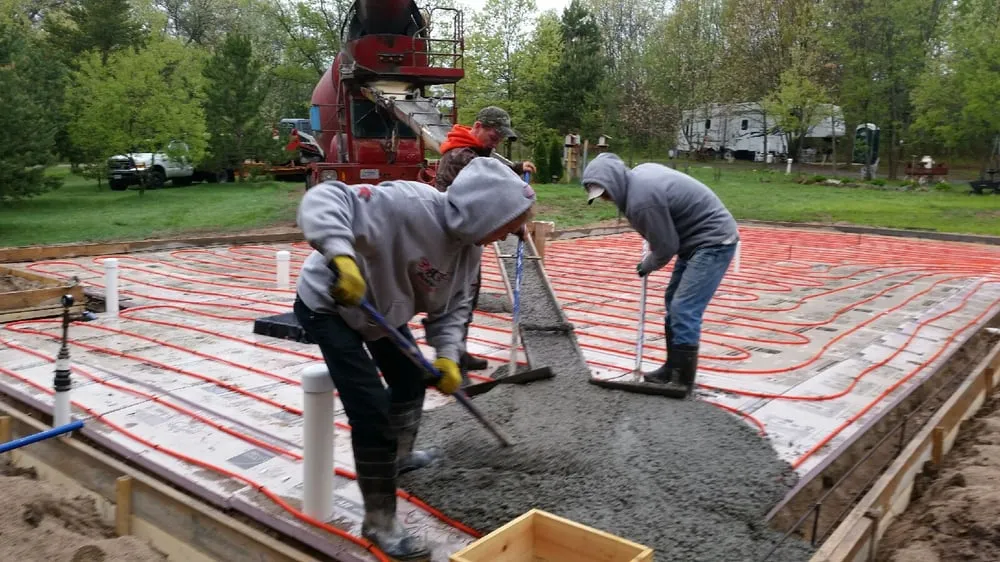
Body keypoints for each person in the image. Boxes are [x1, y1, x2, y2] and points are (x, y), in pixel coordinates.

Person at [294, 157, 536, 559]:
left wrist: (447, 357)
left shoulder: (468, 252)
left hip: (382, 313)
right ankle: (379, 521)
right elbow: (325, 199)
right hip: (330, 304)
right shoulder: (408, 204)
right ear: (484, 211)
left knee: (409, 380)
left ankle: (401, 458)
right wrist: (341, 255)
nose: (506, 235)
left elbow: (453, 309)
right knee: (370, 409)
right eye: (506, 225)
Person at [581, 152, 738, 399]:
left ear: (614, 181)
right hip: (694, 241)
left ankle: (682, 379)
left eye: (605, 193)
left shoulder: (642, 201)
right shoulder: (637, 179)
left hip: (713, 241)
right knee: (672, 301)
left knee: (684, 308)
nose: (605, 199)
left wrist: (647, 264)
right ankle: (671, 367)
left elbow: (666, 247)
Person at [433, 106, 537, 375]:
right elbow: (490, 187)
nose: (496, 142)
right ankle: (448, 355)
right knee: (455, 296)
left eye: (500, 138)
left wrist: (516, 168)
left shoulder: (473, 151)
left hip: (466, 234)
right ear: (478, 126)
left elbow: (491, 167)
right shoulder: (460, 156)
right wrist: (515, 223)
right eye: (493, 136)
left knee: (468, 293)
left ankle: (458, 350)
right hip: (451, 237)